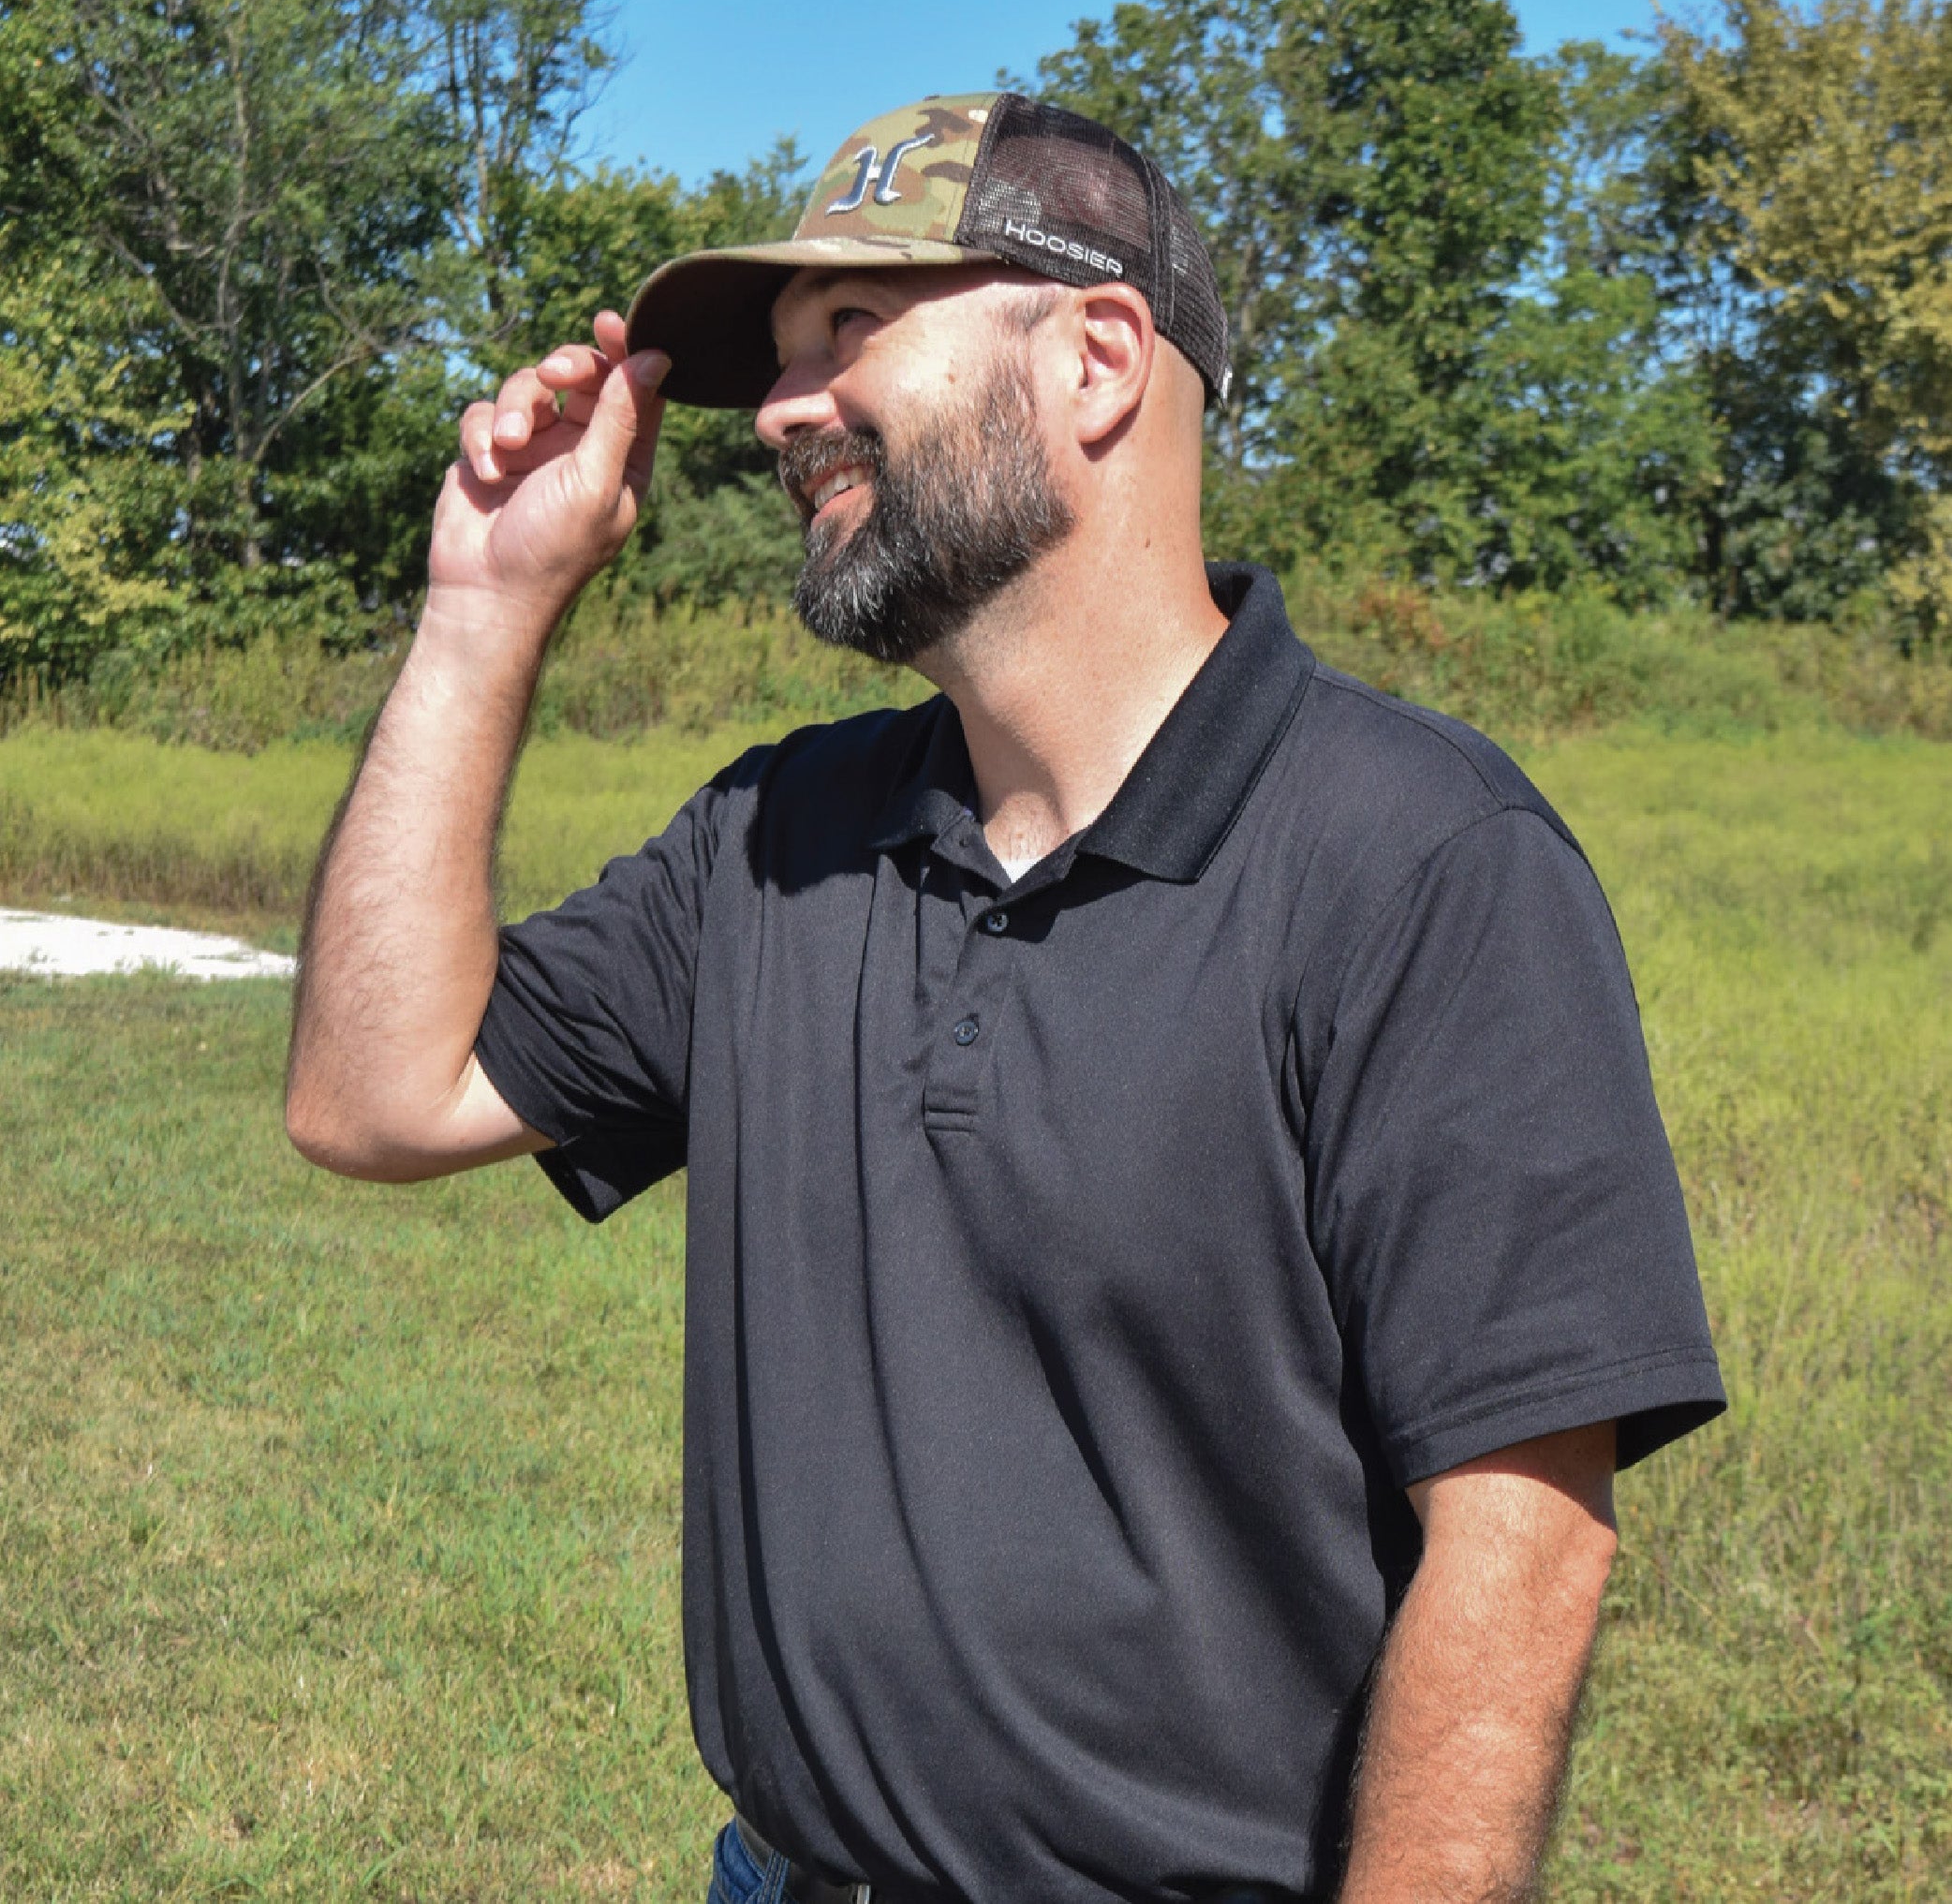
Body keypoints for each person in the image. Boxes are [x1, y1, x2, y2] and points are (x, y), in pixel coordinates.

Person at [287, 93, 1724, 1904]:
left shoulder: (1418, 862)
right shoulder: (777, 837)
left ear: (1100, 360)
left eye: (853, 334)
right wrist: (481, 610)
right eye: (783, 355)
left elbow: (1520, 1549)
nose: (785, 409)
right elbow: (374, 1095)